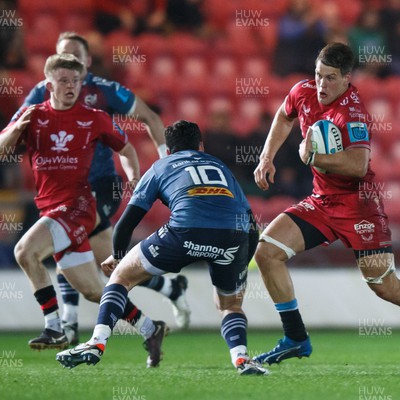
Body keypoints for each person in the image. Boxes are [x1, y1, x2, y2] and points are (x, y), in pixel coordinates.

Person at [252, 43, 400, 371]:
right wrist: (266, 156)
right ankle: (296, 337)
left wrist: (313, 156)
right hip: (321, 201)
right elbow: (284, 115)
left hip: (359, 205)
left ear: (346, 79)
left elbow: (358, 164)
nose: (322, 85)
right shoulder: (303, 91)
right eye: (318, 76)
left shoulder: (352, 112)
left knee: (385, 287)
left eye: (330, 78)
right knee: (266, 253)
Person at [0, 54, 168, 368]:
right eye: (63, 81)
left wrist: (133, 177)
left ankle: (54, 327)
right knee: (93, 291)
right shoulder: (33, 116)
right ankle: (150, 328)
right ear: (49, 85)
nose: (71, 86)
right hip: (50, 208)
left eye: (75, 80)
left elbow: (126, 148)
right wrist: (17, 127)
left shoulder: (94, 117)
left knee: (25, 251)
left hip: (78, 206)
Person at [56, 120, 268, 375]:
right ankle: (241, 359)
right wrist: (239, 264)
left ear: (168, 151)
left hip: (184, 232)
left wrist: (118, 258)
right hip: (234, 238)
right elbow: (251, 223)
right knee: (230, 305)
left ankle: (96, 342)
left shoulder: (160, 166)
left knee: (121, 278)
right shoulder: (221, 166)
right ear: (201, 146)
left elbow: (125, 225)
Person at [20, 32, 190, 344]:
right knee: (109, 265)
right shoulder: (41, 93)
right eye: (63, 56)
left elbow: (150, 117)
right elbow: (18, 127)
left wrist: (167, 162)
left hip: (101, 186)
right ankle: (166, 294)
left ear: (87, 61)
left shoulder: (104, 91)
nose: (70, 61)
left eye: (75, 55)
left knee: (65, 236)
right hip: (61, 192)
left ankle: (65, 324)